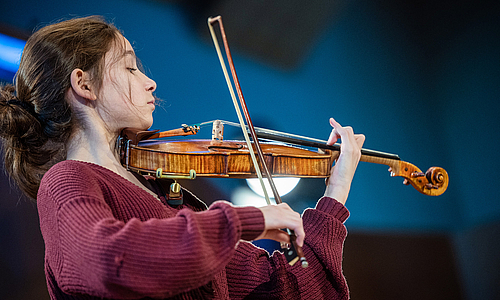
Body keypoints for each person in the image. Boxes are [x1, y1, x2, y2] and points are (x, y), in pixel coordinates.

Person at [0, 16, 365, 299]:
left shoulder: (164, 200)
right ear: (84, 84)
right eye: (129, 67)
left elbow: (293, 291)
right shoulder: (68, 180)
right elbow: (107, 259)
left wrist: (335, 192)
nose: (150, 82)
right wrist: (241, 221)